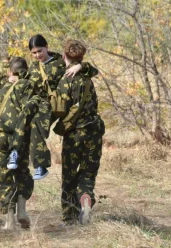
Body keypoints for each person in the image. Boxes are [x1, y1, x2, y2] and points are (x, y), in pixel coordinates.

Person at [7, 34, 98, 181]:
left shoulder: (59, 62)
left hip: (51, 102)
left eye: (40, 51)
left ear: (46, 47)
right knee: (24, 115)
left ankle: (40, 166)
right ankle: (14, 152)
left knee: (37, 124)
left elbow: (93, 71)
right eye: (34, 53)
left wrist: (80, 66)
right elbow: (27, 79)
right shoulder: (35, 66)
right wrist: (15, 78)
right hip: (36, 100)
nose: (37, 55)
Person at [54, 40, 105, 225]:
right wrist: (81, 66)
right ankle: (85, 200)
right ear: (82, 57)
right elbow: (94, 70)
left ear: (64, 56)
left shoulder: (64, 81)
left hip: (75, 133)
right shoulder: (87, 75)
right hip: (94, 130)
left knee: (69, 176)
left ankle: (69, 217)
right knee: (88, 173)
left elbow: (59, 110)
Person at [0, 57, 34, 230]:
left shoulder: (3, 90)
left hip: (1, 138)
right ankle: (22, 210)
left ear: (10, 72)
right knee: (22, 172)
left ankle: (9, 221)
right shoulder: (29, 88)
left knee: (4, 176)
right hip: (21, 137)